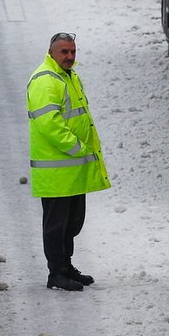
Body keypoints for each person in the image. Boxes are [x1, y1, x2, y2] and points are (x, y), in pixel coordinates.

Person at [26, 31, 110, 291]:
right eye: (64, 52)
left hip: (71, 170)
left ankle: (66, 266)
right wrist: (77, 148)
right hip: (57, 171)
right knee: (56, 226)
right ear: (51, 52)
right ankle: (56, 273)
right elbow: (49, 124)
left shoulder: (68, 77)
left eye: (73, 51)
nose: (70, 56)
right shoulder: (45, 80)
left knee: (72, 223)